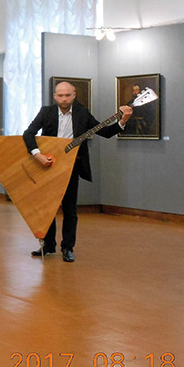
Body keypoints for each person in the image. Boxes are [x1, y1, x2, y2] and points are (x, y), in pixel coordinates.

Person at [23, 81, 133, 262]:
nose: (64, 99)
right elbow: (28, 134)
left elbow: (104, 132)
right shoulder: (46, 112)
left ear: (74, 95)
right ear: (55, 96)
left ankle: (67, 247)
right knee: (48, 208)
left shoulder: (82, 113)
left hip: (71, 166)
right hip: (47, 165)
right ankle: (48, 245)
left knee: (70, 208)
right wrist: (38, 155)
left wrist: (123, 120)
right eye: (60, 95)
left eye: (67, 95)